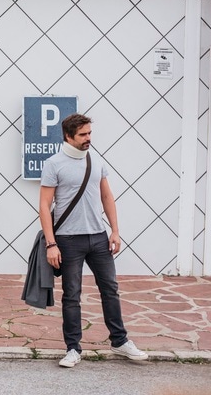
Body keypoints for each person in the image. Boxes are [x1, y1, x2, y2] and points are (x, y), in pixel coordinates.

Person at [39, 113, 148, 368]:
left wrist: (115, 231)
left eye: (89, 133)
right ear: (68, 136)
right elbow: (44, 206)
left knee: (110, 289)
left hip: (98, 237)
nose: (89, 138)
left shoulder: (95, 160)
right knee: (72, 295)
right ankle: (73, 348)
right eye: (83, 135)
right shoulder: (54, 164)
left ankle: (120, 341)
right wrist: (51, 243)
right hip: (68, 240)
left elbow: (107, 197)